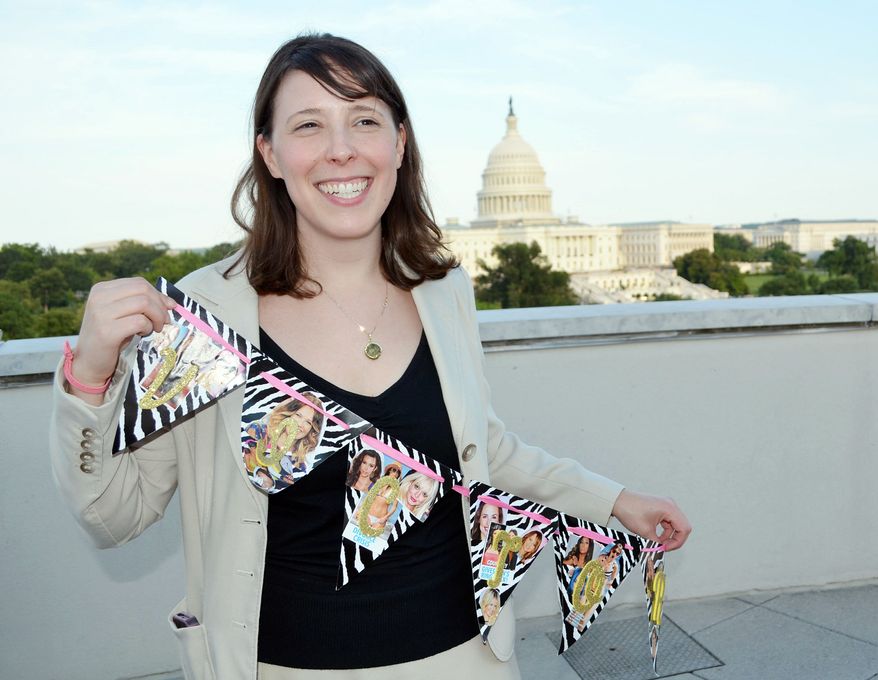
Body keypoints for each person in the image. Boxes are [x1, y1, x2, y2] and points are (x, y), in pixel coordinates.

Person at [50, 33, 691, 680]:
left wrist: (613, 501)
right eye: (308, 125)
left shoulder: (442, 289)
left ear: (400, 142)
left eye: (364, 119)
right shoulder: (206, 313)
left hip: (467, 658)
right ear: (269, 155)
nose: (341, 149)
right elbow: (114, 514)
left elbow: (482, 450)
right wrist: (91, 379)